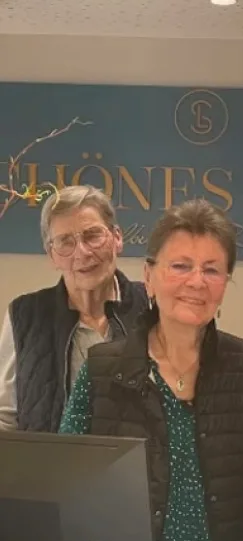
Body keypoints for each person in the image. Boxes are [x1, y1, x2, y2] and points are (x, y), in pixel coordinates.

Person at [59, 199, 243, 541]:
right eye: (181, 266)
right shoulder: (103, 369)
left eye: (211, 269)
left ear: (225, 283)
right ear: (149, 277)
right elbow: (66, 482)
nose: (196, 281)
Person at [0, 185, 147, 433]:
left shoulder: (152, 305)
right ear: (51, 255)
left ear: (117, 238)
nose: (82, 252)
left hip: (137, 470)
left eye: (92, 235)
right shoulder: (24, 315)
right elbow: (5, 419)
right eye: (65, 242)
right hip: (49, 471)